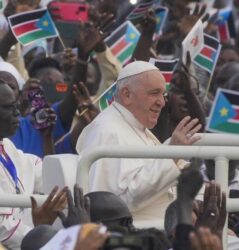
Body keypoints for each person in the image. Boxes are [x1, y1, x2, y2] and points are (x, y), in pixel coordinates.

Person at [76, 61, 202, 224]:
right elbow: (118, 203)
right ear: (127, 94)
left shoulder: (136, 126)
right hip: (140, 231)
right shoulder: (106, 131)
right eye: (154, 93)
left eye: (162, 94)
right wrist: (172, 154)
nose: (162, 103)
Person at [0, 81, 66, 249]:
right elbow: (3, 229)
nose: (17, 113)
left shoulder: (7, 146)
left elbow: (48, 176)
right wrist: (39, 234)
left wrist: (46, 138)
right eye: (9, 107)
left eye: (16, 105)